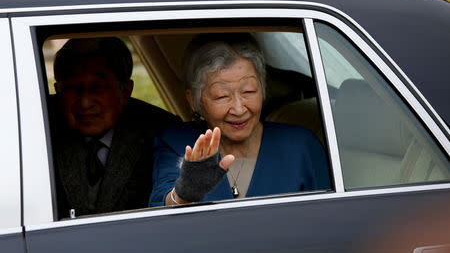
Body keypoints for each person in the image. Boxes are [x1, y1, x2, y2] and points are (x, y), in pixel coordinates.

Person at [150, 33, 330, 206]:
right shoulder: (176, 143)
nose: (238, 109)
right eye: (221, 96)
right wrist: (183, 195)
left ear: (263, 88)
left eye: (249, 91)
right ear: (193, 101)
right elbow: (159, 208)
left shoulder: (301, 146)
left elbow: (329, 217)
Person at [49, 37, 178, 218]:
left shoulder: (162, 132)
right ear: (58, 91)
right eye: (72, 87)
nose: (85, 102)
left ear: (125, 91)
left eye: (98, 87)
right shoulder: (32, 132)